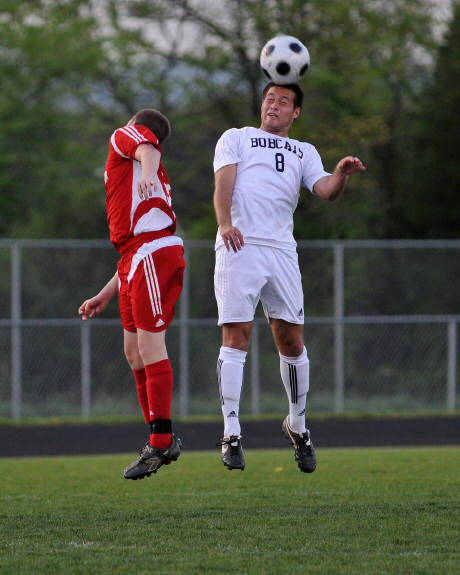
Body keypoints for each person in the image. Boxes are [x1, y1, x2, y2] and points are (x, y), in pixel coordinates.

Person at [213, 82, 365, 473]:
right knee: (237, 335)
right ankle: (231, 432)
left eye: (284, 101)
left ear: (296, 112)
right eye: (270, 99)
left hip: (281, 251)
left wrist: (341, 173)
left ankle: (297, 425)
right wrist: (225, 223)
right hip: (240, 244)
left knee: (292, 341)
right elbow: (223, 184)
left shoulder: (304, 150)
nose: (274, 105)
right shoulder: (237, 137)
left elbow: (326, 190)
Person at [78, 108, 186, 480]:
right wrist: (107, 292)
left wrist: (149, 169)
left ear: (134, 126)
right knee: (133, 352)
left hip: (151, 252)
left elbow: (148, 149)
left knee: (150, 346)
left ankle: (161, 441)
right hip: (134, 257)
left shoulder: (125, 139)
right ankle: (158, 435)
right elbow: (134, 240)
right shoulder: (138, 168)